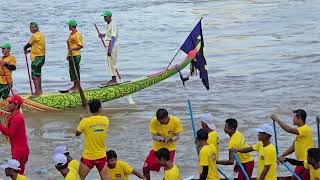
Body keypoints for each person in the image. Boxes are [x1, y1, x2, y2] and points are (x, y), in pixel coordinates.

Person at [271, 109, 313, 180]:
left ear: (299, 118)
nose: (292, 119)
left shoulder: (305, 129)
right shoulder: (299, 131)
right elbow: (293, 147)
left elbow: (289, 130)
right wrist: (282, 155)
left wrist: (276, 119)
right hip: (300, 163)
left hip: (306, 163)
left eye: (294, 118)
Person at [143, 108, 183, 180]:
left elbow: (178, 136)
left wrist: (171, 139)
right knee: (145, 168)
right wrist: (162, 139)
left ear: (167, 117)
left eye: (162, 122)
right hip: (157, 148)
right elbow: (154, 136)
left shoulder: (175, 121)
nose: (161, 123)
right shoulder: (154, 121)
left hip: (170, 149)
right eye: (159, 122)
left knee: (168, 170)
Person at [75, 99, 109, 180]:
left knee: (80, 177)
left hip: (88, 156)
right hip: (101, 155)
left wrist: (81, 121)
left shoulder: (85, 121)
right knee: (105, 177)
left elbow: (77, 133)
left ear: (90, 109)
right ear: (100, 108)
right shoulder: (106, 120)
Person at [0, 95, 29, 175]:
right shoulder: (12, 116)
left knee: (17, 175)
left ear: (16, 105)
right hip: (17, 149)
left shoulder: (17, 118)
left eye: (10, 103)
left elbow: (10, 134)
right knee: (16, 175)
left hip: (20, 151)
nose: (8, 104)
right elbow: (6, 130)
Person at [23, 22, 46, 96]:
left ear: (37, 27)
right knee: (38, 74)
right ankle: (40, 91)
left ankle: (37, 92)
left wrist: (25, 48)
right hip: (41, 56)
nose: (31, 29)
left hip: (37, 58)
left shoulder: (35, 35)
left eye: (33, 27)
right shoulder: (41, 34)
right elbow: (37, 46)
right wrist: (29, 51)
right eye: (30, 28)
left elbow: (29, 44)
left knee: (34, 76)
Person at [99, 10, 119, 85]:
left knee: (112, 62)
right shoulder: (108, 24)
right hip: (108, 44)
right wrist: (102, 35)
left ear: (110, 16)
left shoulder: (113, 24)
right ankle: (113, 79)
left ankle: (114, 80)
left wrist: (110, 49)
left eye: (105, 16)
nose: (104, 18)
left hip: (112, 45)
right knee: (110, 62)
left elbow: (113, 37)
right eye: (104, 17)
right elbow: (109, 35)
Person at [66, 19, 83, 92]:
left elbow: (80, 46)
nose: (68, 26)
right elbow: (70, 45)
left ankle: (78, 87)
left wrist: (72, 49)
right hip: (71, 55)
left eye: (69, 25)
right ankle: (74, 85)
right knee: (72, 71)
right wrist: (68, 54)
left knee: (76, 70)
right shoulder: (71, 34)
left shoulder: (77, 34)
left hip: (76, 55)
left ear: (71, 26)